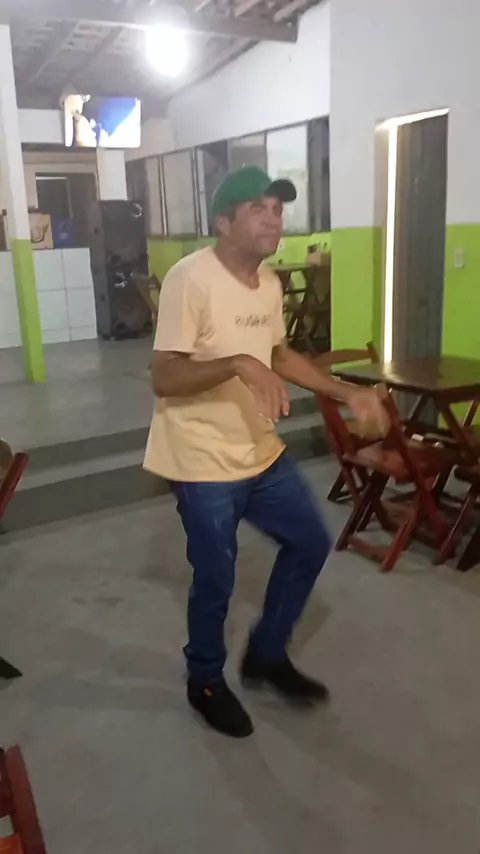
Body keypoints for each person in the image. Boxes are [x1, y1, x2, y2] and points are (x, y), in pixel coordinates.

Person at [144, 166, 387, 738]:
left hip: (259, 449)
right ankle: (205, 679)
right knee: (216, 577)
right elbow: (164, 376)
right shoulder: (190, 279)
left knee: (309, 542)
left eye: (278, 209)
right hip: (201, 459)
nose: (273, 219)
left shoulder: (270, 284)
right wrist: (235, 363)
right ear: (223, 222)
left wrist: (347, 392)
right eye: (258, 208)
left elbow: (278, 354)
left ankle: (266, 654)